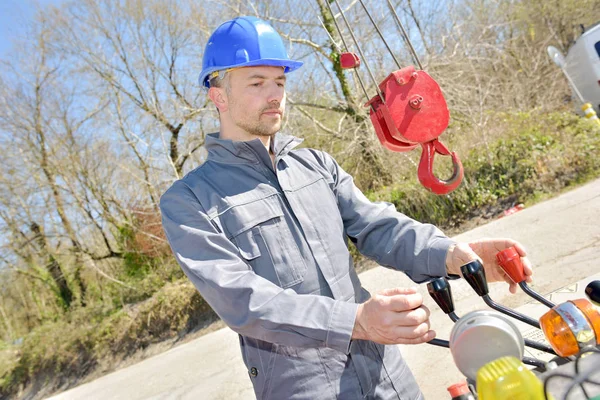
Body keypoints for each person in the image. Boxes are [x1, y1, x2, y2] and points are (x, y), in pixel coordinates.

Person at [159, 16, 533, 400]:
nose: (275, 94)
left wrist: (452, 255)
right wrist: (355, 321)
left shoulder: (317, 166)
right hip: (303, 388)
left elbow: (379, 227)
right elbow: (243, 299)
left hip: (388, 378)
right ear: (218, 95)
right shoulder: (189, 201)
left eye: (281, 82)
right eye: (257, 83)